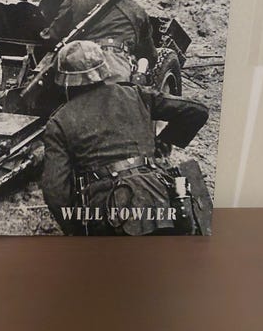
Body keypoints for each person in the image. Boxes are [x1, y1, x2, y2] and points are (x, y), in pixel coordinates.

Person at [42, 40, 209, 236]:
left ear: (64, 81)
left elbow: (55, 190)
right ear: (104, 69)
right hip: (159, 202)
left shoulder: (59, 121)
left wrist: (74, 229)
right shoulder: (136, 94)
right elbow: (197, 111)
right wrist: (160, 144)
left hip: (108, 215)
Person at [43, 0, 157, 81]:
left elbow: (52, 36)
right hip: (116, 69)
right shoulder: (137, 11)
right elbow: (149, 54)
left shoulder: (76, 0)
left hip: (76, 66)